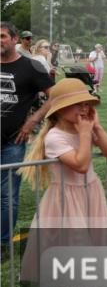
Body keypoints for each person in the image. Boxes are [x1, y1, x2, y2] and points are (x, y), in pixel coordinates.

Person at [18, 78, 107, 280]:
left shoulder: (85, 128)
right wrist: (84, 134)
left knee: (96, 241)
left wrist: (96, 128)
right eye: (77, 104)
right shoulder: (55, 137)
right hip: (66, 198)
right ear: (60, 109)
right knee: (74, 245)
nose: (83, 109)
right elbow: (80, 165)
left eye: (86, 104)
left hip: (91, 193)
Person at [1, 23, 55, 259]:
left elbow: (54, 97)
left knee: (7, 195)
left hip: (12, 142)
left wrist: (33, 120)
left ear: (15, 39)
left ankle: (2, 243)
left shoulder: (30, 66)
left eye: (2, 36)